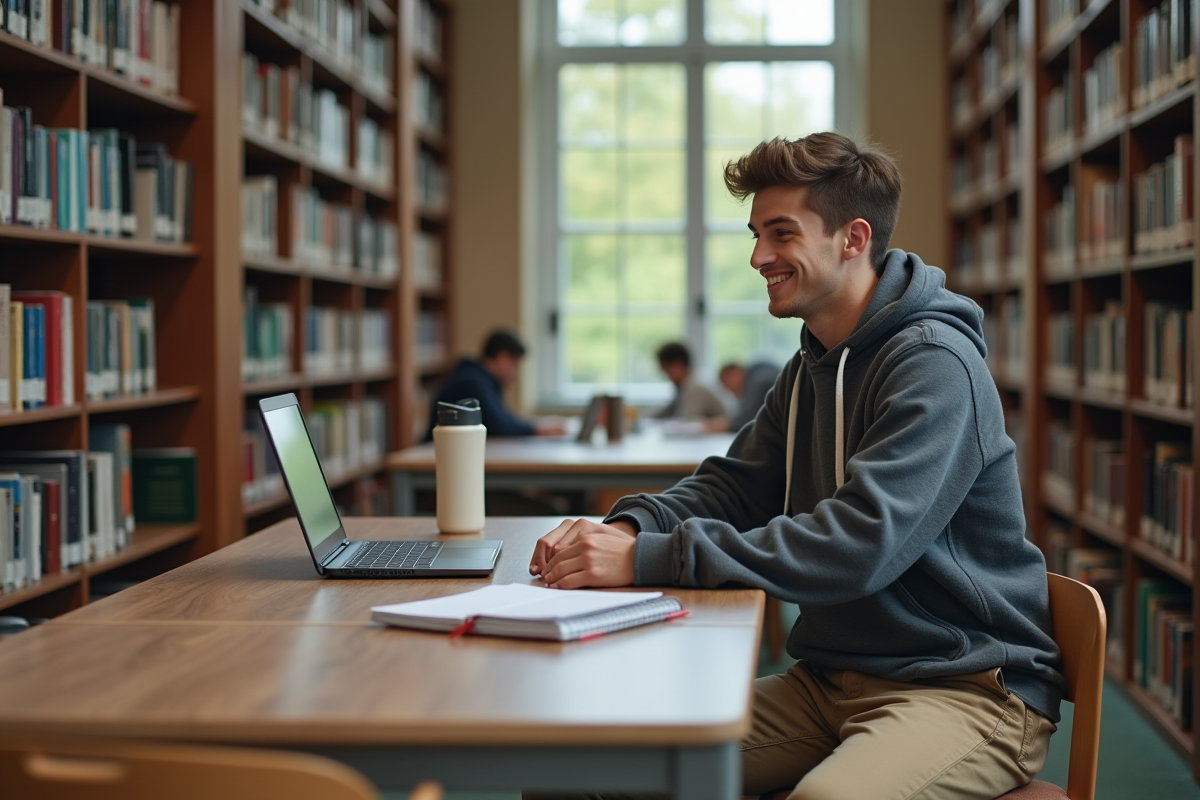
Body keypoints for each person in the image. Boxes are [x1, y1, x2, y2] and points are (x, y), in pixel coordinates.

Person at [527, 132, 1064, 800]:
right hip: (830, 681)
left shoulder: (935, 367)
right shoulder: (811, 364)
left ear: (853, 237)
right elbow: (736, 484)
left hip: (963, 687)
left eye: (781, 234)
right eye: (755, 235)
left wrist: (649, 560)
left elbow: (857, 544)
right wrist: (631, 529)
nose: (758, 257)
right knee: (575, 771)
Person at [423, 329, 564, 441]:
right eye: (515, 364)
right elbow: (500, 425)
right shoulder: (473, 382)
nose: (516, 373)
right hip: (434, 460)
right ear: (503, 358)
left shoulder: (480, 378)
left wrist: (538, 424)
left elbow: (504, 418)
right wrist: (540, 429)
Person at [653, 341, 732, 431]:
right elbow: (668, 410)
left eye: (667, 372)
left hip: (724, 439)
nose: (668, 378)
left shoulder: (696, 387)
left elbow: (686, 423)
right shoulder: (688, 382)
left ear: (678, 365)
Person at [719, 359, 780, 431]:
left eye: (727, 385)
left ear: (733, 374)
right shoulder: (758, 371)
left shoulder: (758, 381)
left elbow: (747, 419)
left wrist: (720, 425)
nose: (731, 392)